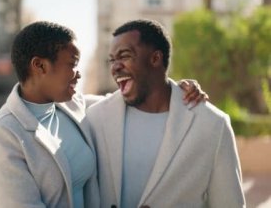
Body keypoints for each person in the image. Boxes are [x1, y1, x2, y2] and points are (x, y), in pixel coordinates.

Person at [0, 21, 207, 208]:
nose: (78, 74)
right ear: (39, 66)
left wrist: (175, 88)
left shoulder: (73, 106)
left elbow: (132, 97)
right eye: (72, 64)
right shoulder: (1, 135)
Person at [86, 19, 245, 208]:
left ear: (155, 58)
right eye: (112, 60)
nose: (115, 67)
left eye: (125, 56)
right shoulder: (95, 117)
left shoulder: (213, 125)